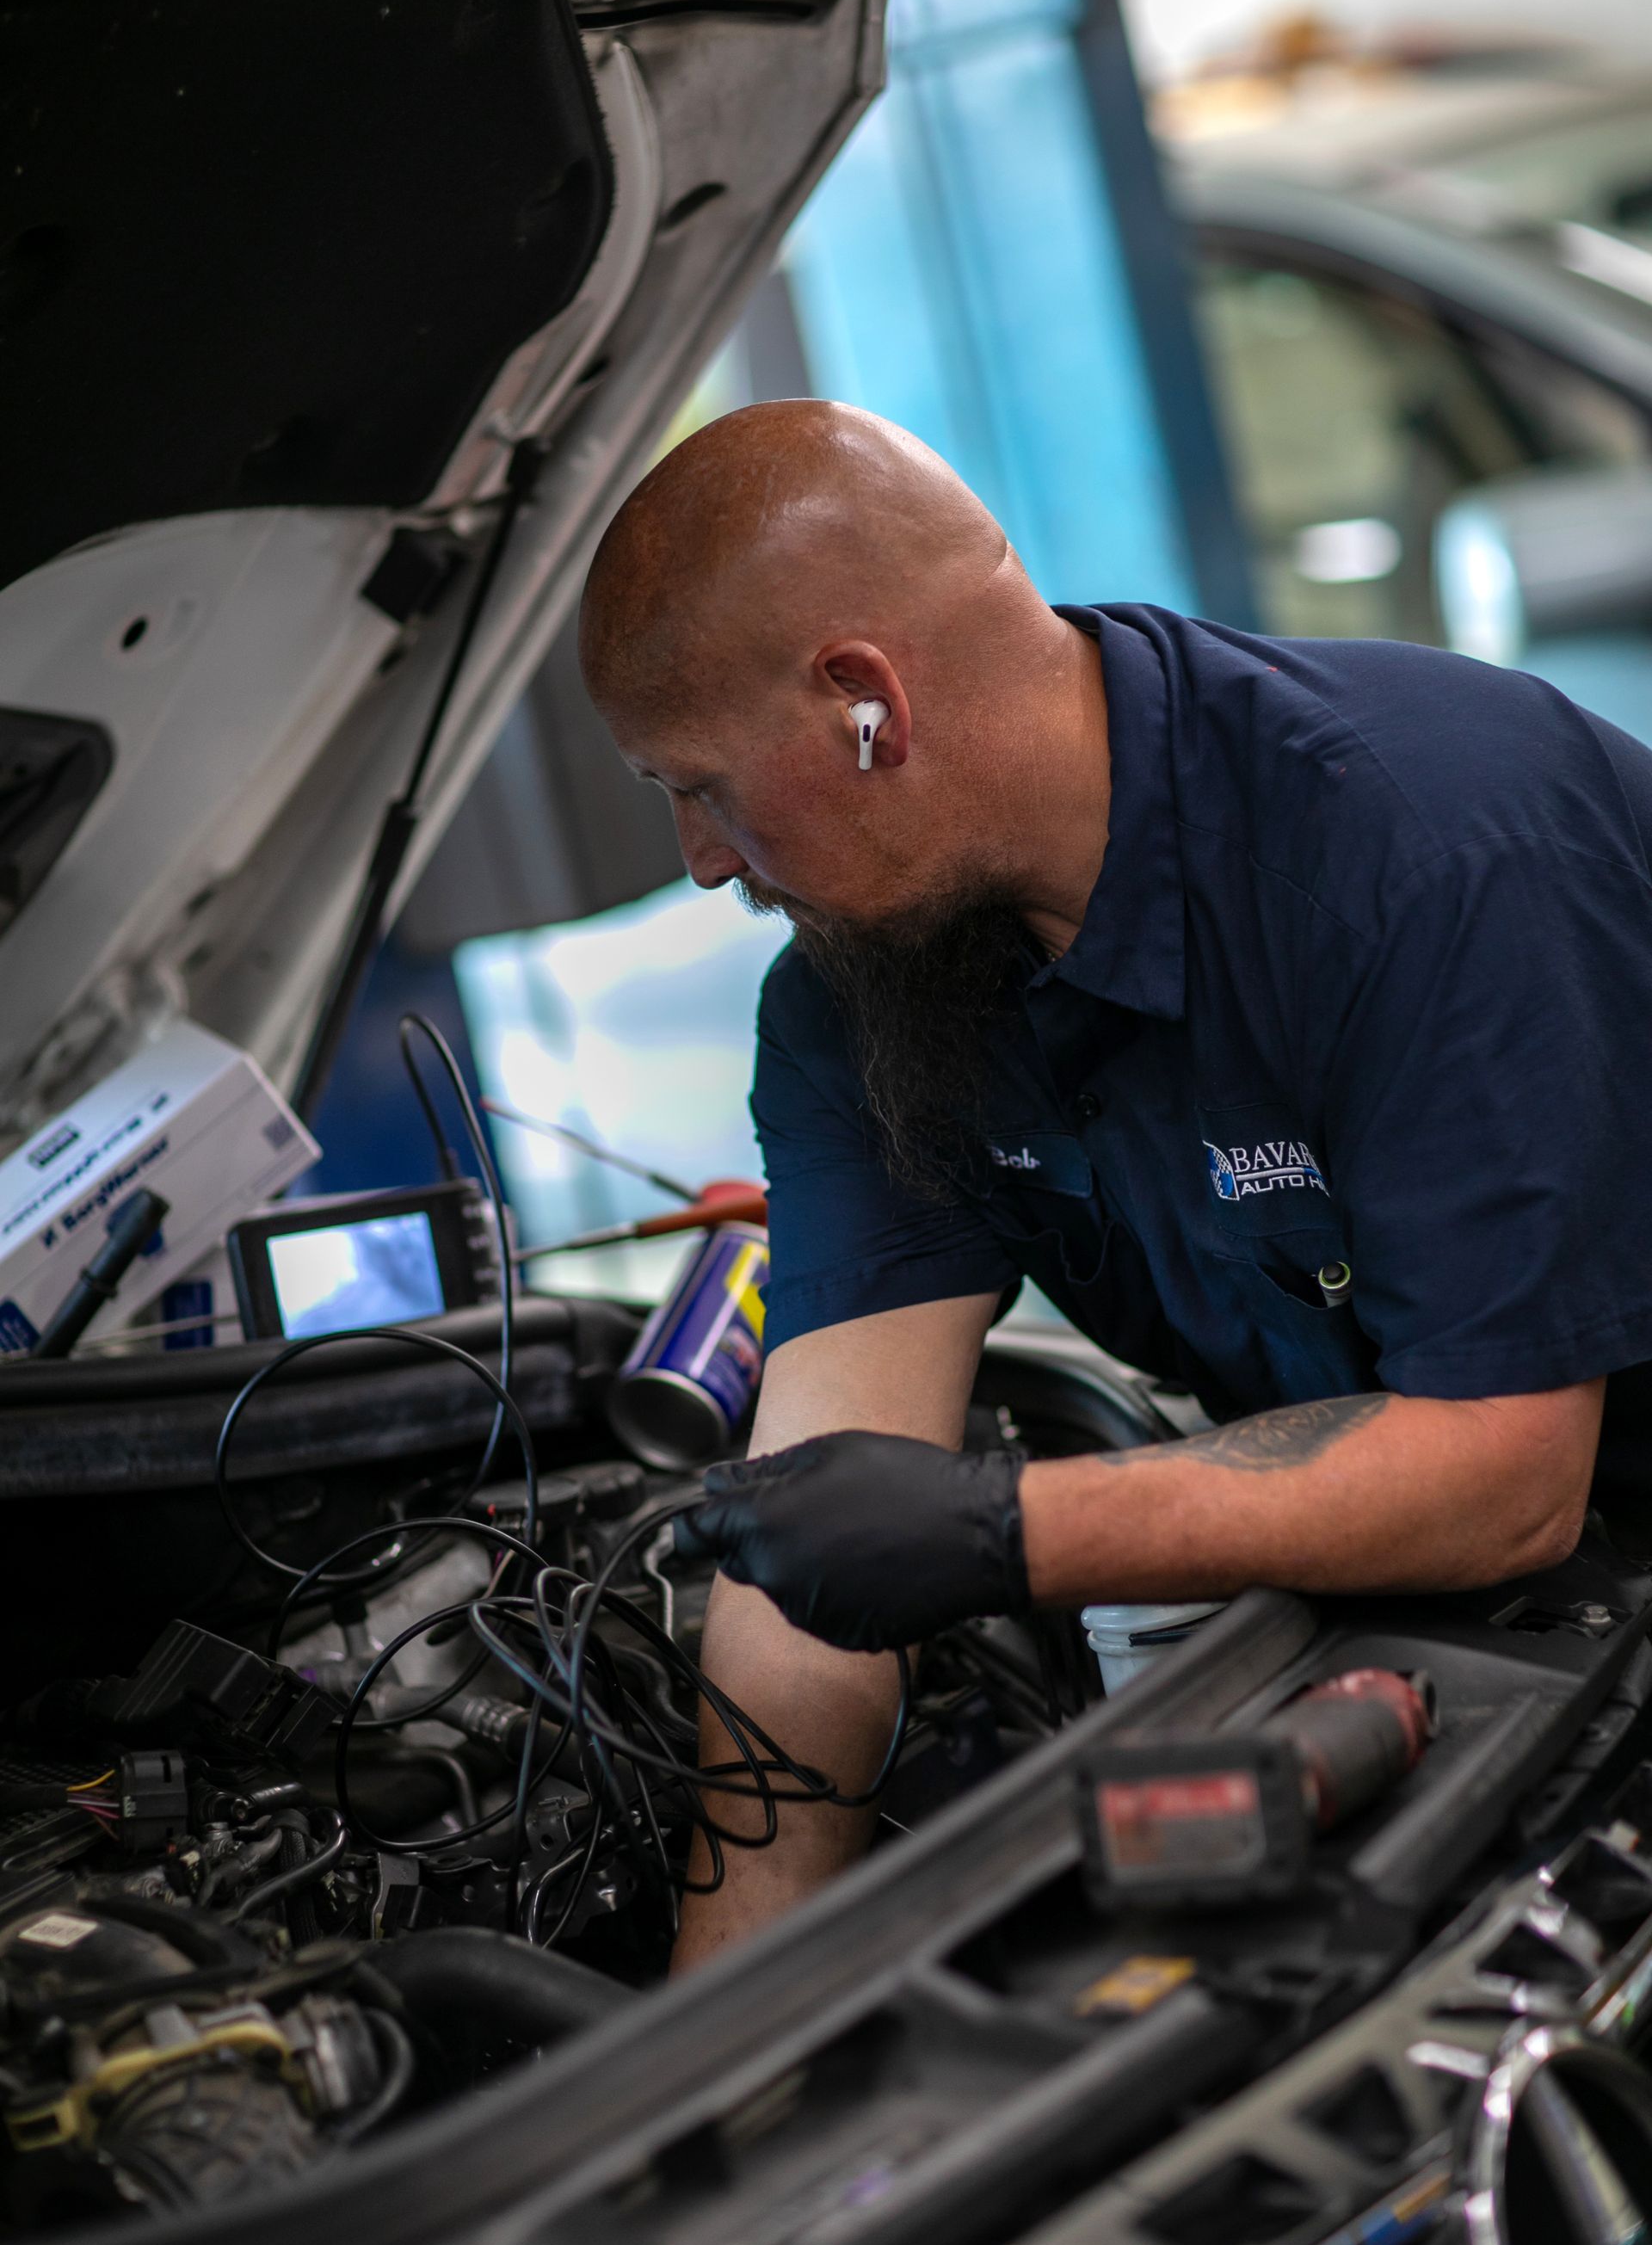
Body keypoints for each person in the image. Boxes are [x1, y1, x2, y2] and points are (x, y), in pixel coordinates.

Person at [579, 399, 1652, 1971]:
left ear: (864, 706)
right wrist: (716, 2044)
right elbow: (816, 1540)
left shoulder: (1414, 848)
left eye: (701, 786)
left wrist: (1008, 1528)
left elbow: (1510, 1481)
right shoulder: (864, 998)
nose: (700, 859)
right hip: (1485, 1610)